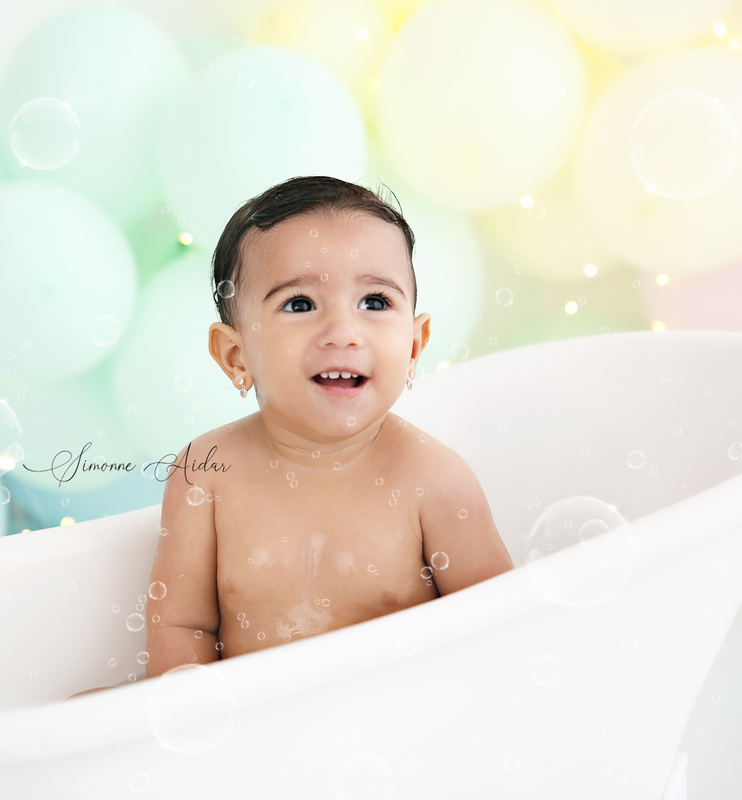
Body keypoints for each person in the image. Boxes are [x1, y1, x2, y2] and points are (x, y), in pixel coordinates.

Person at [67, 175, 512, 698]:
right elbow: (183, 627)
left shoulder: (435, 481)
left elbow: (502, 630)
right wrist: (187, 720)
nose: (343, 332)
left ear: (415, 345)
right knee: (76, 709)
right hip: (250, 723)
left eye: (374, 302)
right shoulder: (206, 473)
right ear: (236, 356)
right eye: (300, 304)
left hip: (397, 720)